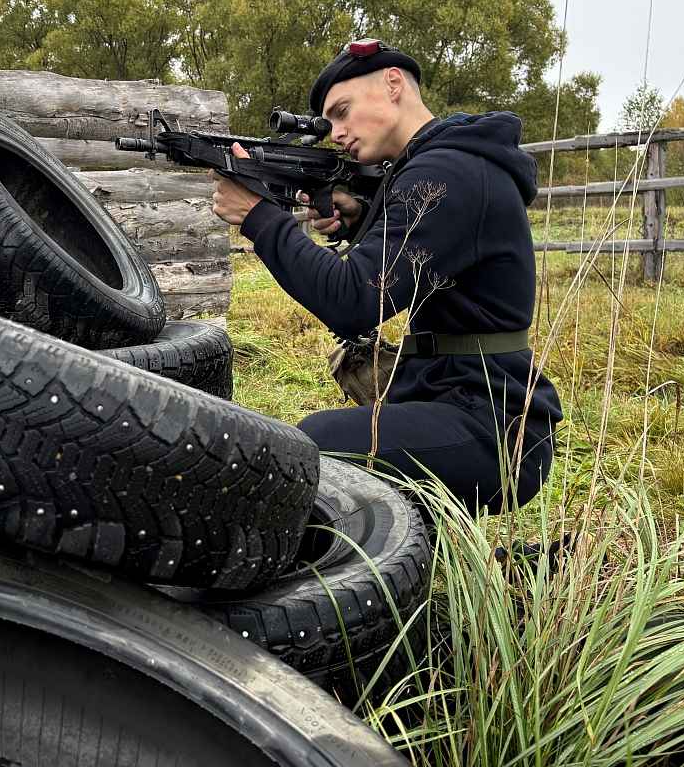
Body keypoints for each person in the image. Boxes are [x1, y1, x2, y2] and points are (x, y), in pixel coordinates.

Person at [210, 39, 563, 516]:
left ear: (393, 84)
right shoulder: (441, 164)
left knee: (314, 444)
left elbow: (354, 301)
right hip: (462, 397)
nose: (336, 133)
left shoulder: (447, 172)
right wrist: (360, 216)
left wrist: (259, 217)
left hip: (497, 430)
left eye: (342, 111)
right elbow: (421, 254)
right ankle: (422, 543)